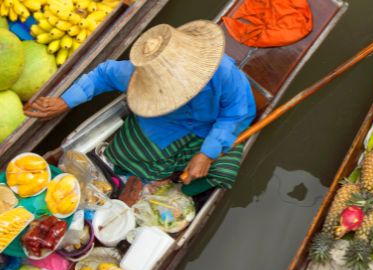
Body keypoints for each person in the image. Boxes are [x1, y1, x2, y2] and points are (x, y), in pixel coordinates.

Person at [25, 20, 256, 196]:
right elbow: (102, 74)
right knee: (125, 156)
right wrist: (65, 101)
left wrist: (207, 153)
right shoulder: (138, 75)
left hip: (209, 129)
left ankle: (178, 190)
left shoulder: (225, 75)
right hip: (162, 124)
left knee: (223, 171)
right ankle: (153, 179)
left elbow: (238, 113)